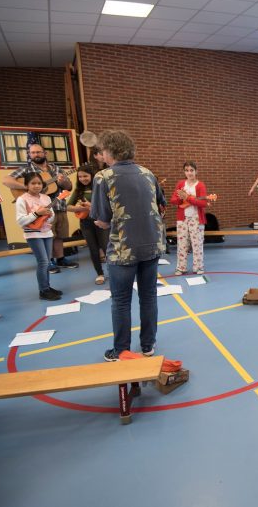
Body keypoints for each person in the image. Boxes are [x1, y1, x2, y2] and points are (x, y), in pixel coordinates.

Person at [90, 130, 166, 362]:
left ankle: (121, 350)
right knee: (149, 296)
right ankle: (148, 345)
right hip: (152, 245)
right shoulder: (148, 173)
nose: (100, 154)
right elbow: (161, 206)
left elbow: (102, 220)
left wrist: (101, 219)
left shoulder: (103, 177)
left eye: (102, 150)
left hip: (124, 248)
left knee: (121, 300)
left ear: (109, 151)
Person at [2, 143, 77, 273]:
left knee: (59, 235)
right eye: (33, 152)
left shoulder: (55, 169)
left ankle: (60, 259)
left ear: (45, 153)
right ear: (29, 155)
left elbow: (68, 187)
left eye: (39, 152)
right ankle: (48, 262)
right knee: (46, 235)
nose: (36, 155)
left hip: (59, 206)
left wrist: (62, 181)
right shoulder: (26, 169)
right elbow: (6, 180)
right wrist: (26, 187)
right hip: (41, 210)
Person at [15, 172, 62, 301]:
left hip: (47, 232)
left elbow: (51, 217)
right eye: (33, 183)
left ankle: (47, 286)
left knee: (47, 262)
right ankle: (43, 291)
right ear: (26, 185)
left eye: (39, 183)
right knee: (43, 262)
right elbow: (20, 221)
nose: (36, 186)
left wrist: (48, 215)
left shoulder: (46, 198)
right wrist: (37, 213)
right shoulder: (22, 199)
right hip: (33, 234)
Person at [66, 165, 108, 285]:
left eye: (85, 176)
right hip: (86, 224)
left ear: (92, 176)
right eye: (80, 176)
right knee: (93, 249)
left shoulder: (100, 188)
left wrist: (92, 206)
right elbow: (68, 206)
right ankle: (99, 274)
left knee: (106, 248)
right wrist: (78, 208)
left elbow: (107, 206)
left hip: (101, 222)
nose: (83, 178)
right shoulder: (78, 191)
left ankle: (114, 271)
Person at [170, 161, 208, 275]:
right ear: (184, 172)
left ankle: (198, 267)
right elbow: (173, 200)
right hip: (182, 219)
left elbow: (203, 203)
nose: (189, 172)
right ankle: (181, 267)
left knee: (197, 243)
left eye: (191, 170)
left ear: (196, 171)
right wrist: (181, 198)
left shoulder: (200, 185)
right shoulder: (181, 184)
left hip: (196, 218)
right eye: (186, 170)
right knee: (182, 244)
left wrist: (188, 198)